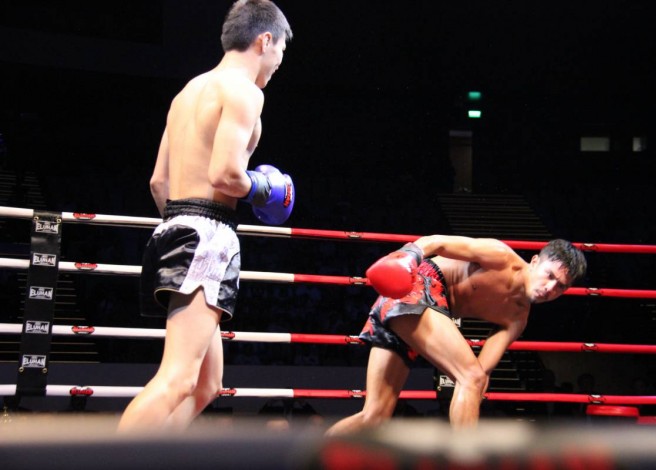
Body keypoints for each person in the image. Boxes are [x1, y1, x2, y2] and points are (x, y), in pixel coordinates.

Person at [118, 0, 294, 432]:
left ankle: (152, 456)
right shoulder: (246, 92)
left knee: (206, 384)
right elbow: (225, 175)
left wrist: (184, 228)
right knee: (177, 380)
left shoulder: (188, 92)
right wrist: (266, 189)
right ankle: (110, 459)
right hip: (206, 235)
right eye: (281, 50)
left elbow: (158, 182)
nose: (279, 62)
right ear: (264, 40)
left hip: (174, 226)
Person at [326, 236, 586, 434]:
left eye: (560, 287)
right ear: (535, 262)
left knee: (374, 417)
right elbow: (436, 242)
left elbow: (481, 373)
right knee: (470, 378)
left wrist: (469, 401)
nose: (550, 288)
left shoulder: (517, 319)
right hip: (416, 287)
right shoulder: (501, 257)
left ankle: (310, 458)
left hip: (417, 310)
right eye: (549, 275)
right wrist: (407, 257)